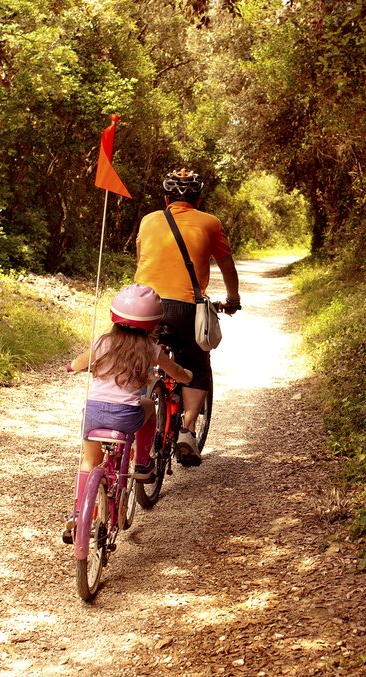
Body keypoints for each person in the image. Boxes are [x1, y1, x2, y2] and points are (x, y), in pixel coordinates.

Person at [62, 284, 192, 544]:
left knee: (89, 461)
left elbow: (76, 365)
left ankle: (77, 515)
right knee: (149, 407)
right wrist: (187, 376)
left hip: (94, 415)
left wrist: (71, 367)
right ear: (153, 323)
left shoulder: (102, 342)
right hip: (126, 417)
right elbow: (177, 373)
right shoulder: (151, 349)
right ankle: (142, 464)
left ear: (115, 316)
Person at [134, 168, 240, 467]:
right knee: (197, 365)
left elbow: (141, 260)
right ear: (199, 199)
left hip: (143, 304)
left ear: (166, 199)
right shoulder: (210, 223)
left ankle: (134, 405)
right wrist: (233, 299)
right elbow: (227, 267)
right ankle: (188, 430)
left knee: (138, 355)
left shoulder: (148, 220)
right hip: (184, 307)